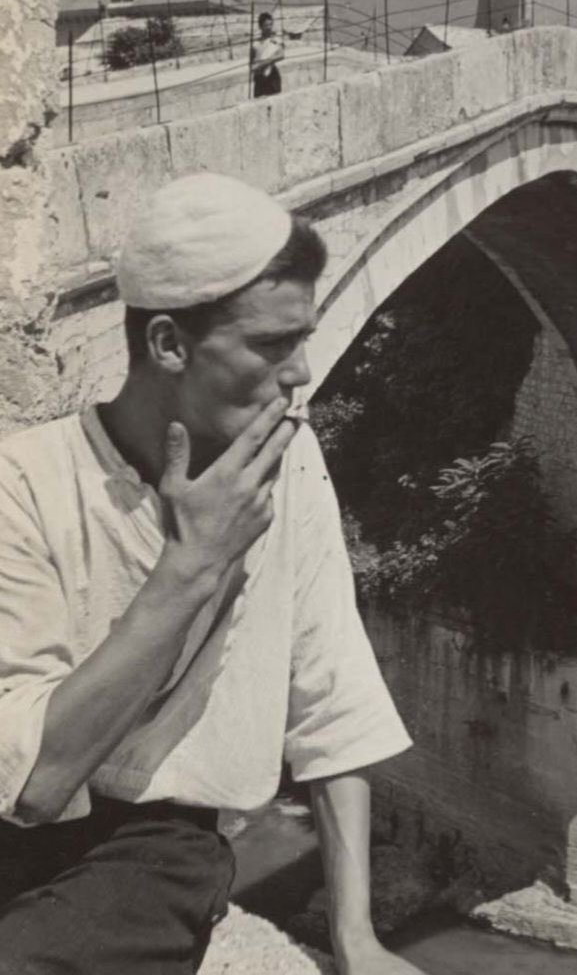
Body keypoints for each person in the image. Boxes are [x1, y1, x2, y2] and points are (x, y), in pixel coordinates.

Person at [0, 173, 423, 975]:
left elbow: (328, 697)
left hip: (156, 848)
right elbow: (36, 783)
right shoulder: (21, 483)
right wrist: (193, 564)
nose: (301, 371)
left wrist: (357, 936)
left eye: (303, 337)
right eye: (272, 344)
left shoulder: (290, 464)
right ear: (168, 344)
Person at [251, 10, 284, 98]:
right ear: (260, 26)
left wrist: (265, 62)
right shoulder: (255, 44)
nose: (269, 27)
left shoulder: (275, 40)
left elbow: (281, 55)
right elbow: (251, 63)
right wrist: (255, 68)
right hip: (259, 78)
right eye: (266, 25)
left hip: (272, 76)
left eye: (270, 24)